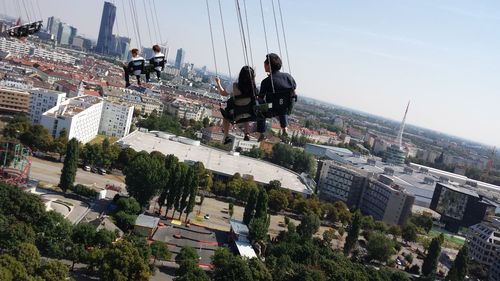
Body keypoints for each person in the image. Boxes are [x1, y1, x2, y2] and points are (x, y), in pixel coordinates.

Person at [257, 53, 296, 141]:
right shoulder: (288, 77)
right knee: (282, 105)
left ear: (268, 65)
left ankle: (261, 132)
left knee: (259, 108)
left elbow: (260, 98)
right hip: (285, 107)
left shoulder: (266, 81)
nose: (264, 65)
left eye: (265, 63)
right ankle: (285, 128)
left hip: (271, 108)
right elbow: (293, 91)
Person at [214, 66, 257, 145]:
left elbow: (223, 93)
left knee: (226, 117)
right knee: (246, 112)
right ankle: (247, 133)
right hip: (249, 112)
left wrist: (218, 82)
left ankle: (226, 136)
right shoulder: (254, 87)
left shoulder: (235, 85)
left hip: (235, 113)